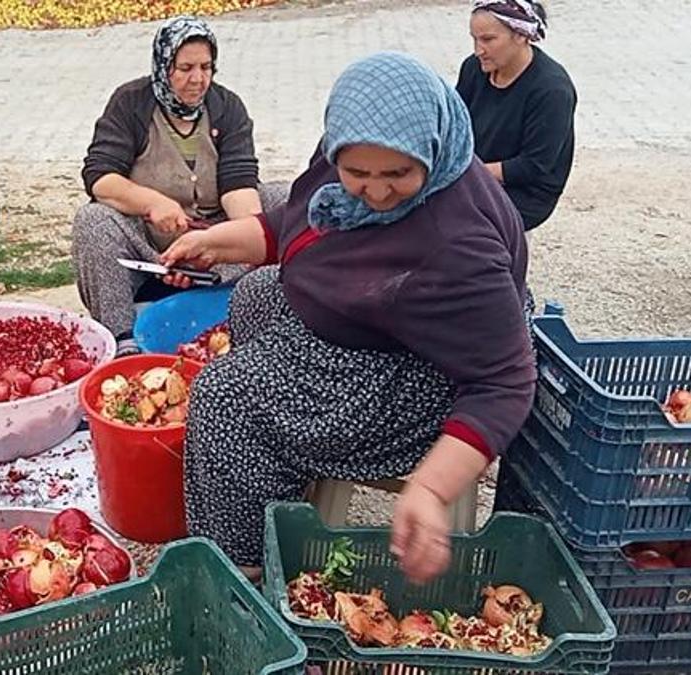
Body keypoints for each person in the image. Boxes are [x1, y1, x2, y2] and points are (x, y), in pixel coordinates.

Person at [161, 52, 535, 584]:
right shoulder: (348, 161)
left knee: (225, 398)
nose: (377, 192)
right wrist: (214, 243)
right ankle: (276, 470)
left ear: (432, 149)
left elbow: (505, 381)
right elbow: (299, 223)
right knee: (254, 293)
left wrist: (431, 489)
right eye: (357, 173)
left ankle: (246, 571)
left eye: (400, 174)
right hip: (377, 328)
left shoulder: (457, 245)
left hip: (418, 377)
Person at [72, 15, 288, 356]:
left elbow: (239, 183)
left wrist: (237, 236)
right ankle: (122, 339)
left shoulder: (226, 107)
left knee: (285, 197)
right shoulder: (131, 103)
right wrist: (152, 203)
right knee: (93, 220)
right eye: (185, 68)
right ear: (163, 64)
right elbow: (100, 177)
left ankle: (277, 309)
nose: (197, 79)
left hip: (213, 239)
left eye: (206, 67)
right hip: (149, 244)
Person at [456, 0, 576, 231]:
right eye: (475, 39)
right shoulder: (474, 68)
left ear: (521, 35)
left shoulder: (552, 90)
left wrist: (466, 174)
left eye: (488, 40)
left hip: (525, 191)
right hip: (474, 173)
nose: (478, 50)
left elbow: (534, 166)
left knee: (453, 220)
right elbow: (455, 123)